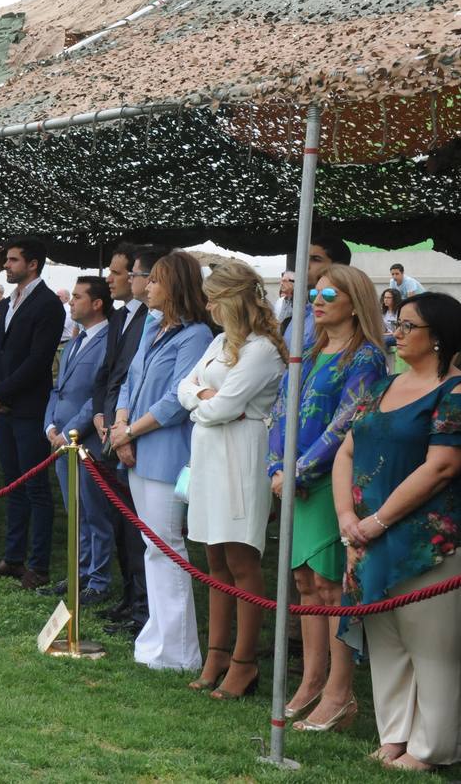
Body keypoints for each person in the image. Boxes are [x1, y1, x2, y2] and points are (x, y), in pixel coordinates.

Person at [335, 292, 461, 772]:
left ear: (439, 338)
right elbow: (347, 451)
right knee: (386, 640)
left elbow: (443, 467)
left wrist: (377, 520)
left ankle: (432, 747)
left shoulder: (455, 392)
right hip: (367, 537)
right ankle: (396, 736)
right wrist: (347, 517)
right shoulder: (384, 384)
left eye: (408, 326)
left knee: (432, 648)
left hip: (427, 542)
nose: (397, 332)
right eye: (398, 324)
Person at [267, 263, 387, 731]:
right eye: (314, 293)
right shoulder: (309, 349)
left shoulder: (367, 358)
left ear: (354, 304)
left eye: (329, 294)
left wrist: (297, 470)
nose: (316, 300)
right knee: (304, 584)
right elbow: (281, 411)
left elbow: (347, 423)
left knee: (331, 586)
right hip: (289, 481)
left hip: (327, 482)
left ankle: (341, 691)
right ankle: (312, 680)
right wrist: (276, 468)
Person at [177, 260, 287, 699]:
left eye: (214, 299)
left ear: (234, 299)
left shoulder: (262, 349)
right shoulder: (220, 341)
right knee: (214, 558)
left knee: (243, 561)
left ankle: (245, 662)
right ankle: (216, 654)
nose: (208, 307)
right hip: (207, 453)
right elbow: (184, 386)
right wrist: (204, 398)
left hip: (241, 452)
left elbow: (224, 408)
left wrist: (206, 402)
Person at [110, 250, 214, 672]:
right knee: (152, 546)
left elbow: (176, 398)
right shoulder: (155, 327)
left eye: (154, 280)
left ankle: (179, 651)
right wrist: (120, 423)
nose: (146, 286)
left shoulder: (195, 336)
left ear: (174, 286)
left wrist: (131, 431)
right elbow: (131, 380)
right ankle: (158, 637)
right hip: (136, 447)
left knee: (166, 546)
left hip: (166, 452)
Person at [0, 237, 66, 588]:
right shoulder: (6, 304)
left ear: (32, 264)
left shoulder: (48, 304)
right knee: (12, 483)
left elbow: (37, 359)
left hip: (29, 407)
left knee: (35, 487)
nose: (7, 265)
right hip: (3, 406)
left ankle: (38, 564)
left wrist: (2, 391)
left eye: (13, 260)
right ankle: (14, 556)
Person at [93, 242, 157, 636]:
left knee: (139, 527)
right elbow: (109, 372)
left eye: (124, 273)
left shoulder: (152, 320)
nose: (117, 280)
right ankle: (130, 596)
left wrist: (122, 423)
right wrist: (101, 412)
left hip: (131, 430)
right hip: (110, 425)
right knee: (120, 519)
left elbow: (138, 378)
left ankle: (144, 608)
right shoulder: (121, 318)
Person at [43, 276, 114, 604]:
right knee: (75, 511)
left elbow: (96, 395)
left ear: (97, 303)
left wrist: (69, 430)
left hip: (85, 442)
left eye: (77, 297)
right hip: (62, 439)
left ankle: (98, 580)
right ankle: (80, 572)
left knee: (93, 512)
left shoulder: (109, 340)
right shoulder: (74, 341)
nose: (71, 302)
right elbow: (57, 388)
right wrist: (50, 427)